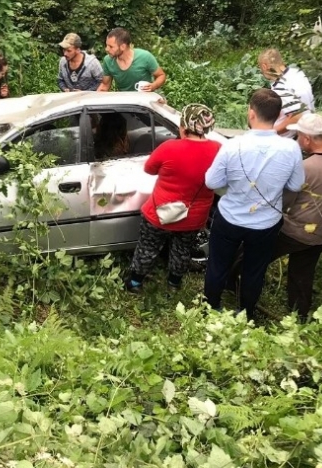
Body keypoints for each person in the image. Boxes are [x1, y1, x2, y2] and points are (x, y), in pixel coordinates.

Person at [203, 89, 305, 321]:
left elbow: (211, 181)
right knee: (255, 270)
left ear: (251, 113)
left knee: (218, 264)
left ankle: (211, 308)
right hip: (266, 223)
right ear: (278, 116)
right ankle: (246, 313)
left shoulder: (232, 145)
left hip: (229, 218)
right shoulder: (291, 149)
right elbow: (297, 185)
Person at [124, 104, 221, 293]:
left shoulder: (169, 147)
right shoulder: (217, 149)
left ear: (183, 126)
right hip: (193, 216)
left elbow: (149, 169)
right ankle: (174, 285)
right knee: (182, 250)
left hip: (160, 212)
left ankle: (135, 283)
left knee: (148, 247)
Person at [270, 112, 322, 320]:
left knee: (252, 252)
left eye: (299, 136)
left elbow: (284, 201)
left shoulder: (307, 167)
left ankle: (231, 284)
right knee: (303, 271)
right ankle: (298, 315)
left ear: (307, 139)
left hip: (297, 231)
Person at [257, 48, 315, 135]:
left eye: (260, 67)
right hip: (310, 128)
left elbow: (296, 117)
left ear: (265, 66)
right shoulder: (297, 73)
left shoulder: (281, 86)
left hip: (293, 138)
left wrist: (269, 133)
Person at [98, 28, 166, 93]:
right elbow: (105, 85)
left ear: (123, 47)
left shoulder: (145, 57)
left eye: (111, 46)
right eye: (106, 45)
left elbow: (161, 75)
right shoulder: (108, 60)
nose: (106, 49)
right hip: (125, 100)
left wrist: (153, 86)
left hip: (145, 98)